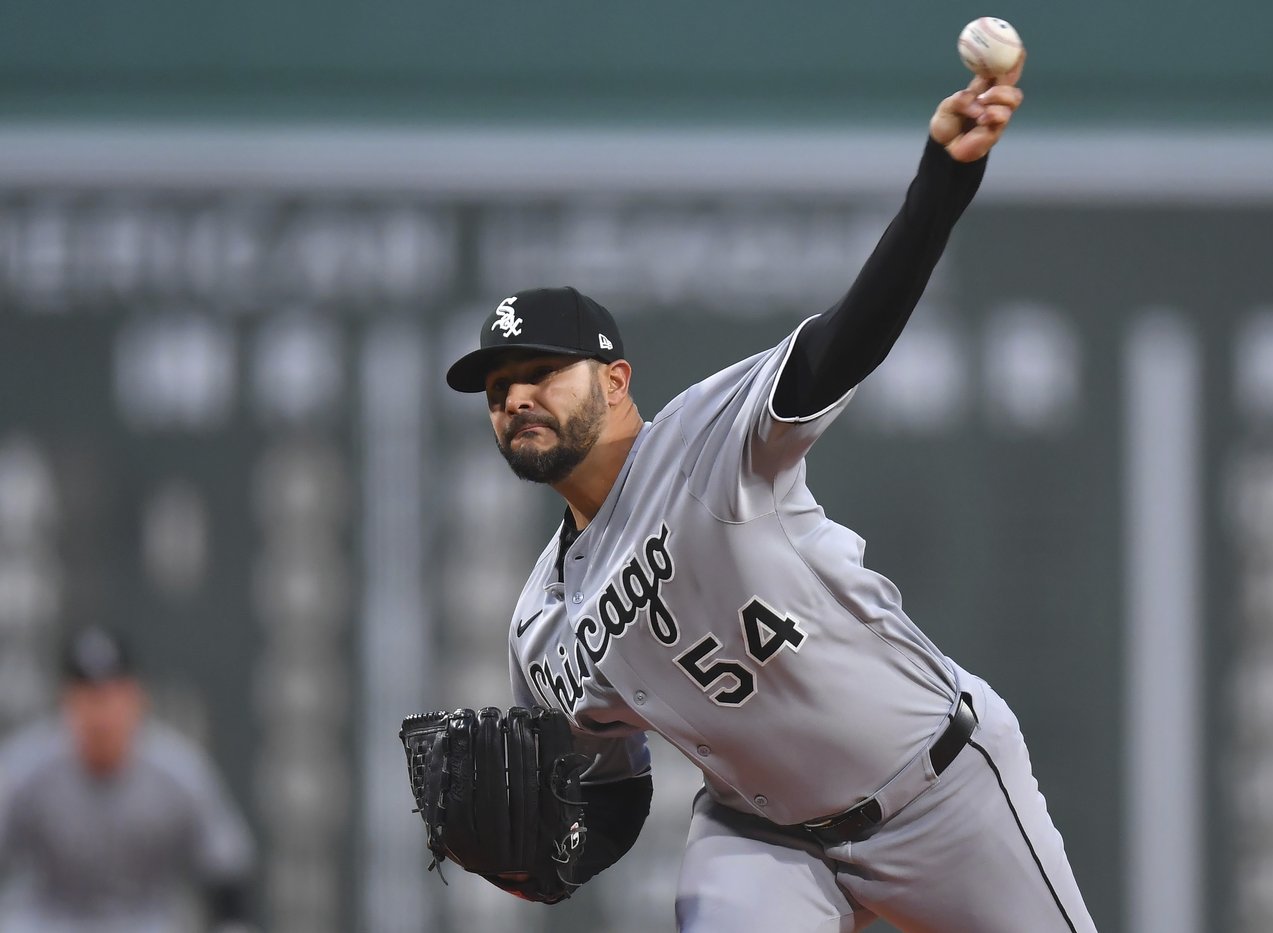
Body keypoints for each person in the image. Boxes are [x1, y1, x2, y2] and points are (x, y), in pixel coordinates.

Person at [444, 55, 1098, 932]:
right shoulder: (539, 628)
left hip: (939, 789)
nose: (516, 397)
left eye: (540, 372)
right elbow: (613, 789)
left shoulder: (705, 442)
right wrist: (544, 857)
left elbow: (849, 338)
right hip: (763, 839)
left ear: (615, 380)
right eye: (497, 391)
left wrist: (942, 181)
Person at [0, 626, 257, 933]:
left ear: (137, 698)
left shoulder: (175, 769)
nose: (101, 714)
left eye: (111, 696)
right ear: (66, 703)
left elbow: (226, 863)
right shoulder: (27, 766)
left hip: (145, 923)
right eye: (88, 698)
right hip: (45, 922)